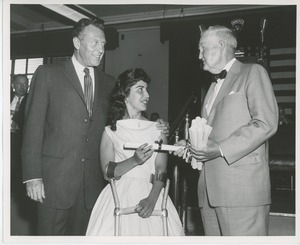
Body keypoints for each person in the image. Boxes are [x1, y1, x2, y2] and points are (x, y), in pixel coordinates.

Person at [21, 17, 169, 236]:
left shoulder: (109, 83)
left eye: (104, 44)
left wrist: (156, 127)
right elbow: (32, 129)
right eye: (95, 42)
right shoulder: (47, 74)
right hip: (54, 184)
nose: (101, 49)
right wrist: (33, 176)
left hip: (92, 190)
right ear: (77, 42)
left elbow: (122, 122)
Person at [174, 25, 278, 236]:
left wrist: (220, 149)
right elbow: (209, 136)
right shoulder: (211, 87)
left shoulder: (253, 72)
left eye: (202, 48)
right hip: (209, 193)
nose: (199, 55)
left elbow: (266, 123)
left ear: (221, 46)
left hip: (241, 193)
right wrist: (190, 146)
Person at [86, 68, 184, 236]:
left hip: (153, 193)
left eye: (147, 89)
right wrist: (135, 160)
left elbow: (161, 169)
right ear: (125, 94)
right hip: (118, 196)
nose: (147, 95)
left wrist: (152, 200)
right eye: (140, 89)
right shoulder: (111, 131)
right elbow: (107, 172)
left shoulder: (157, 129)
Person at [11, 74, 29, 193]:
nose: (22, 87)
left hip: (20, 138)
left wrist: (18, 126)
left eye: (25, 84)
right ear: (13, 85)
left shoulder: (31, 99)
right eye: (18, 84)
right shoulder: (4, 96)